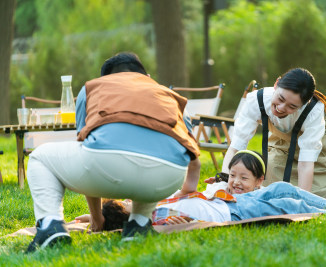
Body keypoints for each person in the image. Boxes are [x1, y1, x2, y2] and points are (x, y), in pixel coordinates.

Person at [25, 52, 201, 252]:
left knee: (39, 157)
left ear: (105, 78)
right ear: (147, 77)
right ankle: (139, 225)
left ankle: (51, 226)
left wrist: (97, 217)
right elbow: (191, 154)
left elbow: (86, 144)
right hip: (168, 177)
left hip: (106, 166)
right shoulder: (168, 95)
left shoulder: (93, 88)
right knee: (150, 150)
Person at [92, 150, 326, 227]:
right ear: (128, 212)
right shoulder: (154, 218)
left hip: (227, 204)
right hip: (230, 212)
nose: (129, 200)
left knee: (282, 192)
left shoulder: (153, 203)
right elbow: (109, 218)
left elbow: (97, 218)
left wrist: (90, 219)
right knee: (286, 200)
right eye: (125, 203)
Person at [219, 68, 326, 198]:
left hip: (324, 147)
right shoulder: (256, 100)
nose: (280, 108)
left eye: (292, 106)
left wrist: (301, 201)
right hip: (283, 141)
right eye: (280, 99)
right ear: (276, 84)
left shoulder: (313, 112)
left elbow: (305, 164)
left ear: (304, 103)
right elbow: (236, 147)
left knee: (310, 192)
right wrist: (223, 184)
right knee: (268, 182)